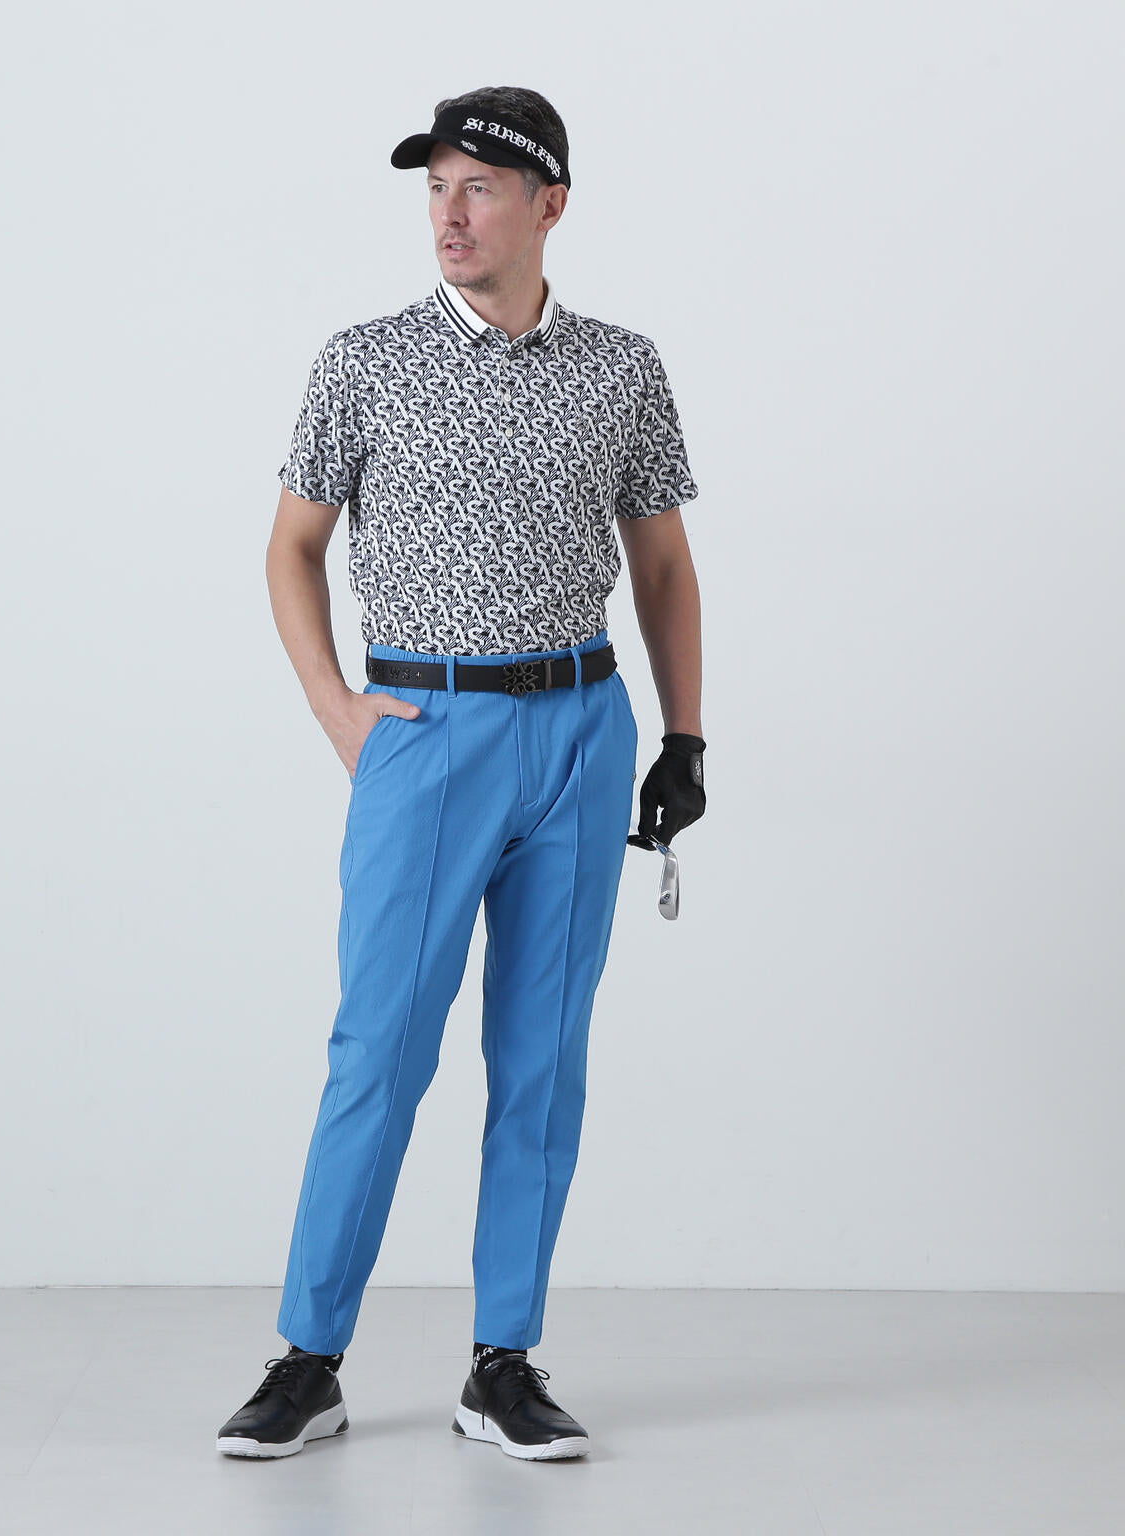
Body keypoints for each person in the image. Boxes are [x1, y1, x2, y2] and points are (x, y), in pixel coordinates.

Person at [217, 84, 706, 1464]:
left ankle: (503, 1363)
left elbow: (664, 564)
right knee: (380, 1046)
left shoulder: (622, 367)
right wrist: (339, 713)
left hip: (581, 728)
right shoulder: (364, 361)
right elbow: (291, 546)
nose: (449, 210)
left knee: (541, 1057)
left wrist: (684, 736)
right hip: (425, 732)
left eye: (480, 185)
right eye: (435, 184)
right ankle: (308, 1359)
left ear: (550, 205)